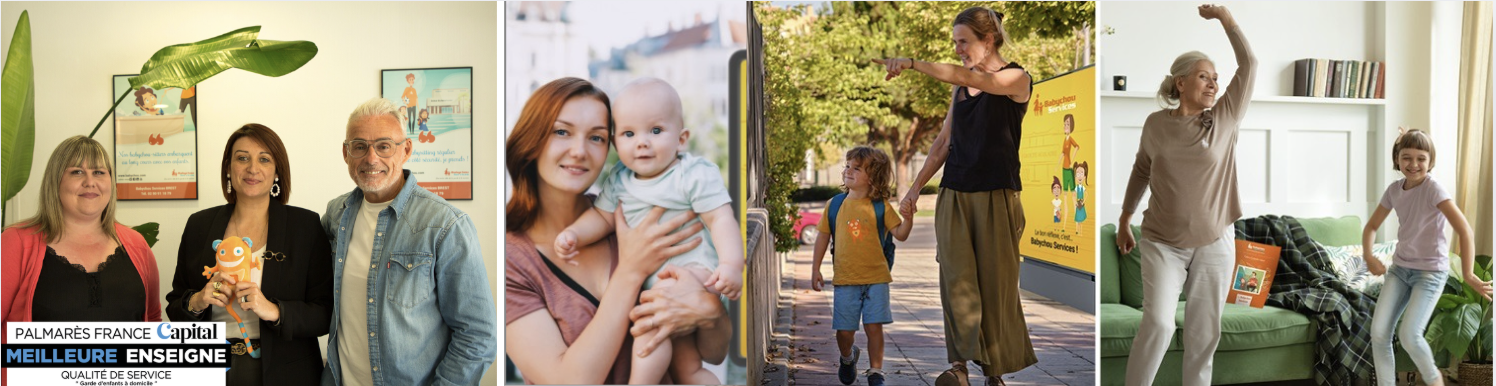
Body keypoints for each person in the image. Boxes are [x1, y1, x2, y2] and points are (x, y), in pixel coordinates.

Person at [506, 77, 732, 384]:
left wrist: (710, 311)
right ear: (530, 141)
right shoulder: (510, 261)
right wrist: (631, 271)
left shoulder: (634, 212)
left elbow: (715, 353)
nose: (579, 151)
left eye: (596, 138)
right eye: (562, 132)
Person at [876, 6, 1037, 385]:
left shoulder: (1016, 78)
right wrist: (914, 189)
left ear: (989, 39)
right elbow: (944, 142)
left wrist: (913, 63)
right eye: (955, 43)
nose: (959, 49)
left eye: (964, 42)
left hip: (998, 196)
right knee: (956, 283)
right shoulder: (959, 88)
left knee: (994, 287)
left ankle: (994, 372)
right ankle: (960, 368)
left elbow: (970, 75)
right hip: (955, 194)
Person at [1113, 5, 1254, 386]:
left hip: (1215, 240)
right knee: (1158, 323)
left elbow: (1250, 64)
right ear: (1180, 82)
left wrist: (1226, 20)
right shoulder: (1156, 124)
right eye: (1204, 76)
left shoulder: (1223, 118)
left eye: (1216, 79)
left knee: (1203, 335)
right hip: (1161, 241)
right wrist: (1125, 219)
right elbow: (1142, 169)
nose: (1213, 84)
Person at [320, 97, 496, 385]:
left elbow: (478, 335)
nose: (371, 158)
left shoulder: (446, 225)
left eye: (384, 146)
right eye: (360, 146)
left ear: (407, 150)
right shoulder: (336, 215)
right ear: (346, 153)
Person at [164, 124, 333, 386]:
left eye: (264, 159)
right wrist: (197, 300)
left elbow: (325, 313)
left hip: (285, 374)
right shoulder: (199, 225)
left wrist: (274, 310)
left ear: (277, 171)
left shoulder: (306, 226)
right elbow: (175, 306)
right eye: (242, 158)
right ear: (228, 168)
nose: (252, 168)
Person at [1, 136, 161, 385]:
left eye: (99, 172)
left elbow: (152, 323)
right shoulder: (17, 242)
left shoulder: (137, 245)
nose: (90, 182)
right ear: (56, 181)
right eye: (77, 171)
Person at [1362, 128, 1493, 386]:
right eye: (1406, 157)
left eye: (1421, 158)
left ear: (1430, 161)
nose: (1413, 164)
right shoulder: (1394, 190)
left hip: (1430, 274)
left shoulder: (1434, 189)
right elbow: (1371, 227)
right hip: (1400, 270)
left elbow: (1464, 230)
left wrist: (1468, 274)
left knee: (1410, 335)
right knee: (1378, 334)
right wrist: (1369, 256)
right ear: (1397, 159)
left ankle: (1435, 381)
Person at [809, 146, 914, 386]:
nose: (848, 170)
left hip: (877, 277)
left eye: (857, 168)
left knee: (873, 326)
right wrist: (815, 268)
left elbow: (901, 234)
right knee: (844, 332)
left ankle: (876, 371)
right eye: (848, 166)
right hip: (845, 279)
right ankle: (848, 357)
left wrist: (908, 218)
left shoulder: (881, 206)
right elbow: (823, 237)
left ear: (873, 177)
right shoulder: (834, 205)